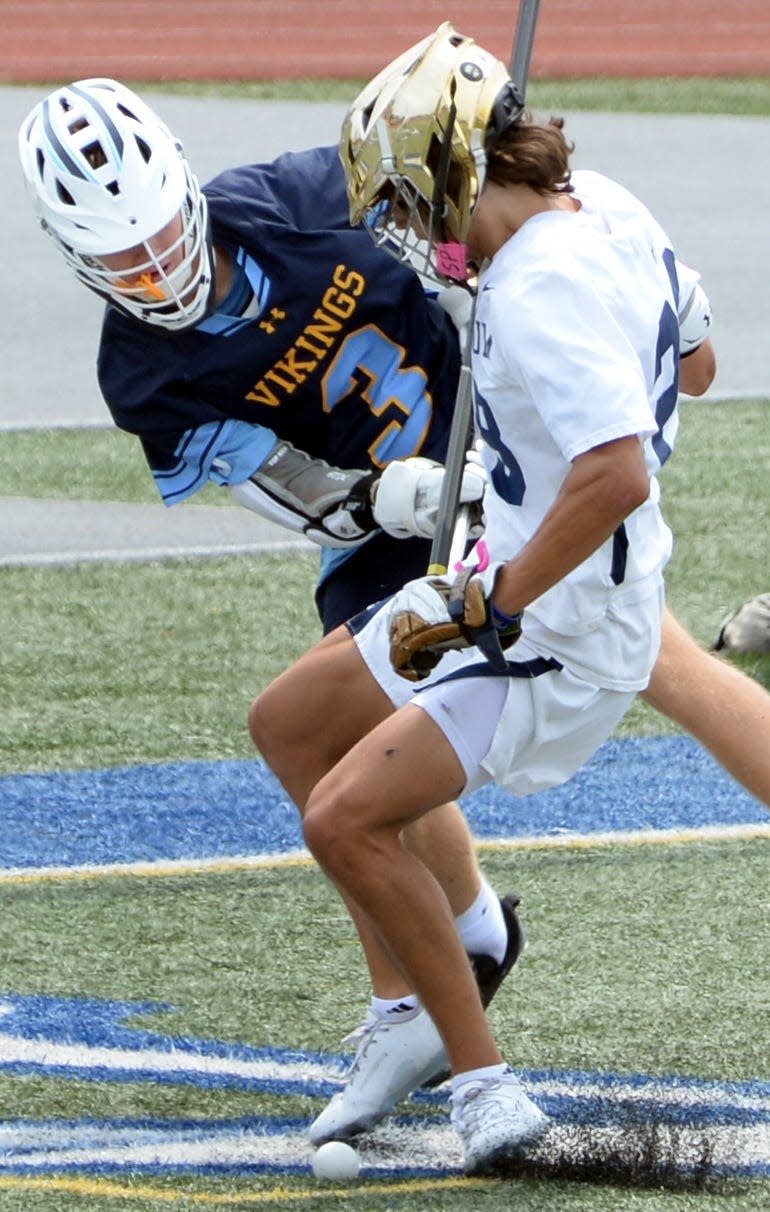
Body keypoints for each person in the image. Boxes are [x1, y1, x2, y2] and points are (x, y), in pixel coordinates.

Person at [18, 67, 768, 1158]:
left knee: (403, 745)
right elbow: (281, 486)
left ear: (189, 188)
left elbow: (445, 231)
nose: (157, 265)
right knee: (320, 732)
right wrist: (381, 494)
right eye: (124, 257)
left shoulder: (308, 202)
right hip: (402, 517)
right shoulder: (144, 370)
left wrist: (473, 292)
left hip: (514, 479)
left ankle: (442, 988)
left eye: (163, 232)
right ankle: (440, 965)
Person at [246, 23, 764, 1174]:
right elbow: (695, 368)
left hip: (552, 630)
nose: (400, 222)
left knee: (342, 818)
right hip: (522, 569)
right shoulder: (609, 207)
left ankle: (482, 1088)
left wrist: (495, 605)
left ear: (451, 169)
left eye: (404, 194)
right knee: (288, 721)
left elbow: (614, 470)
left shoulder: (537, 288)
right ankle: (418, 1012)